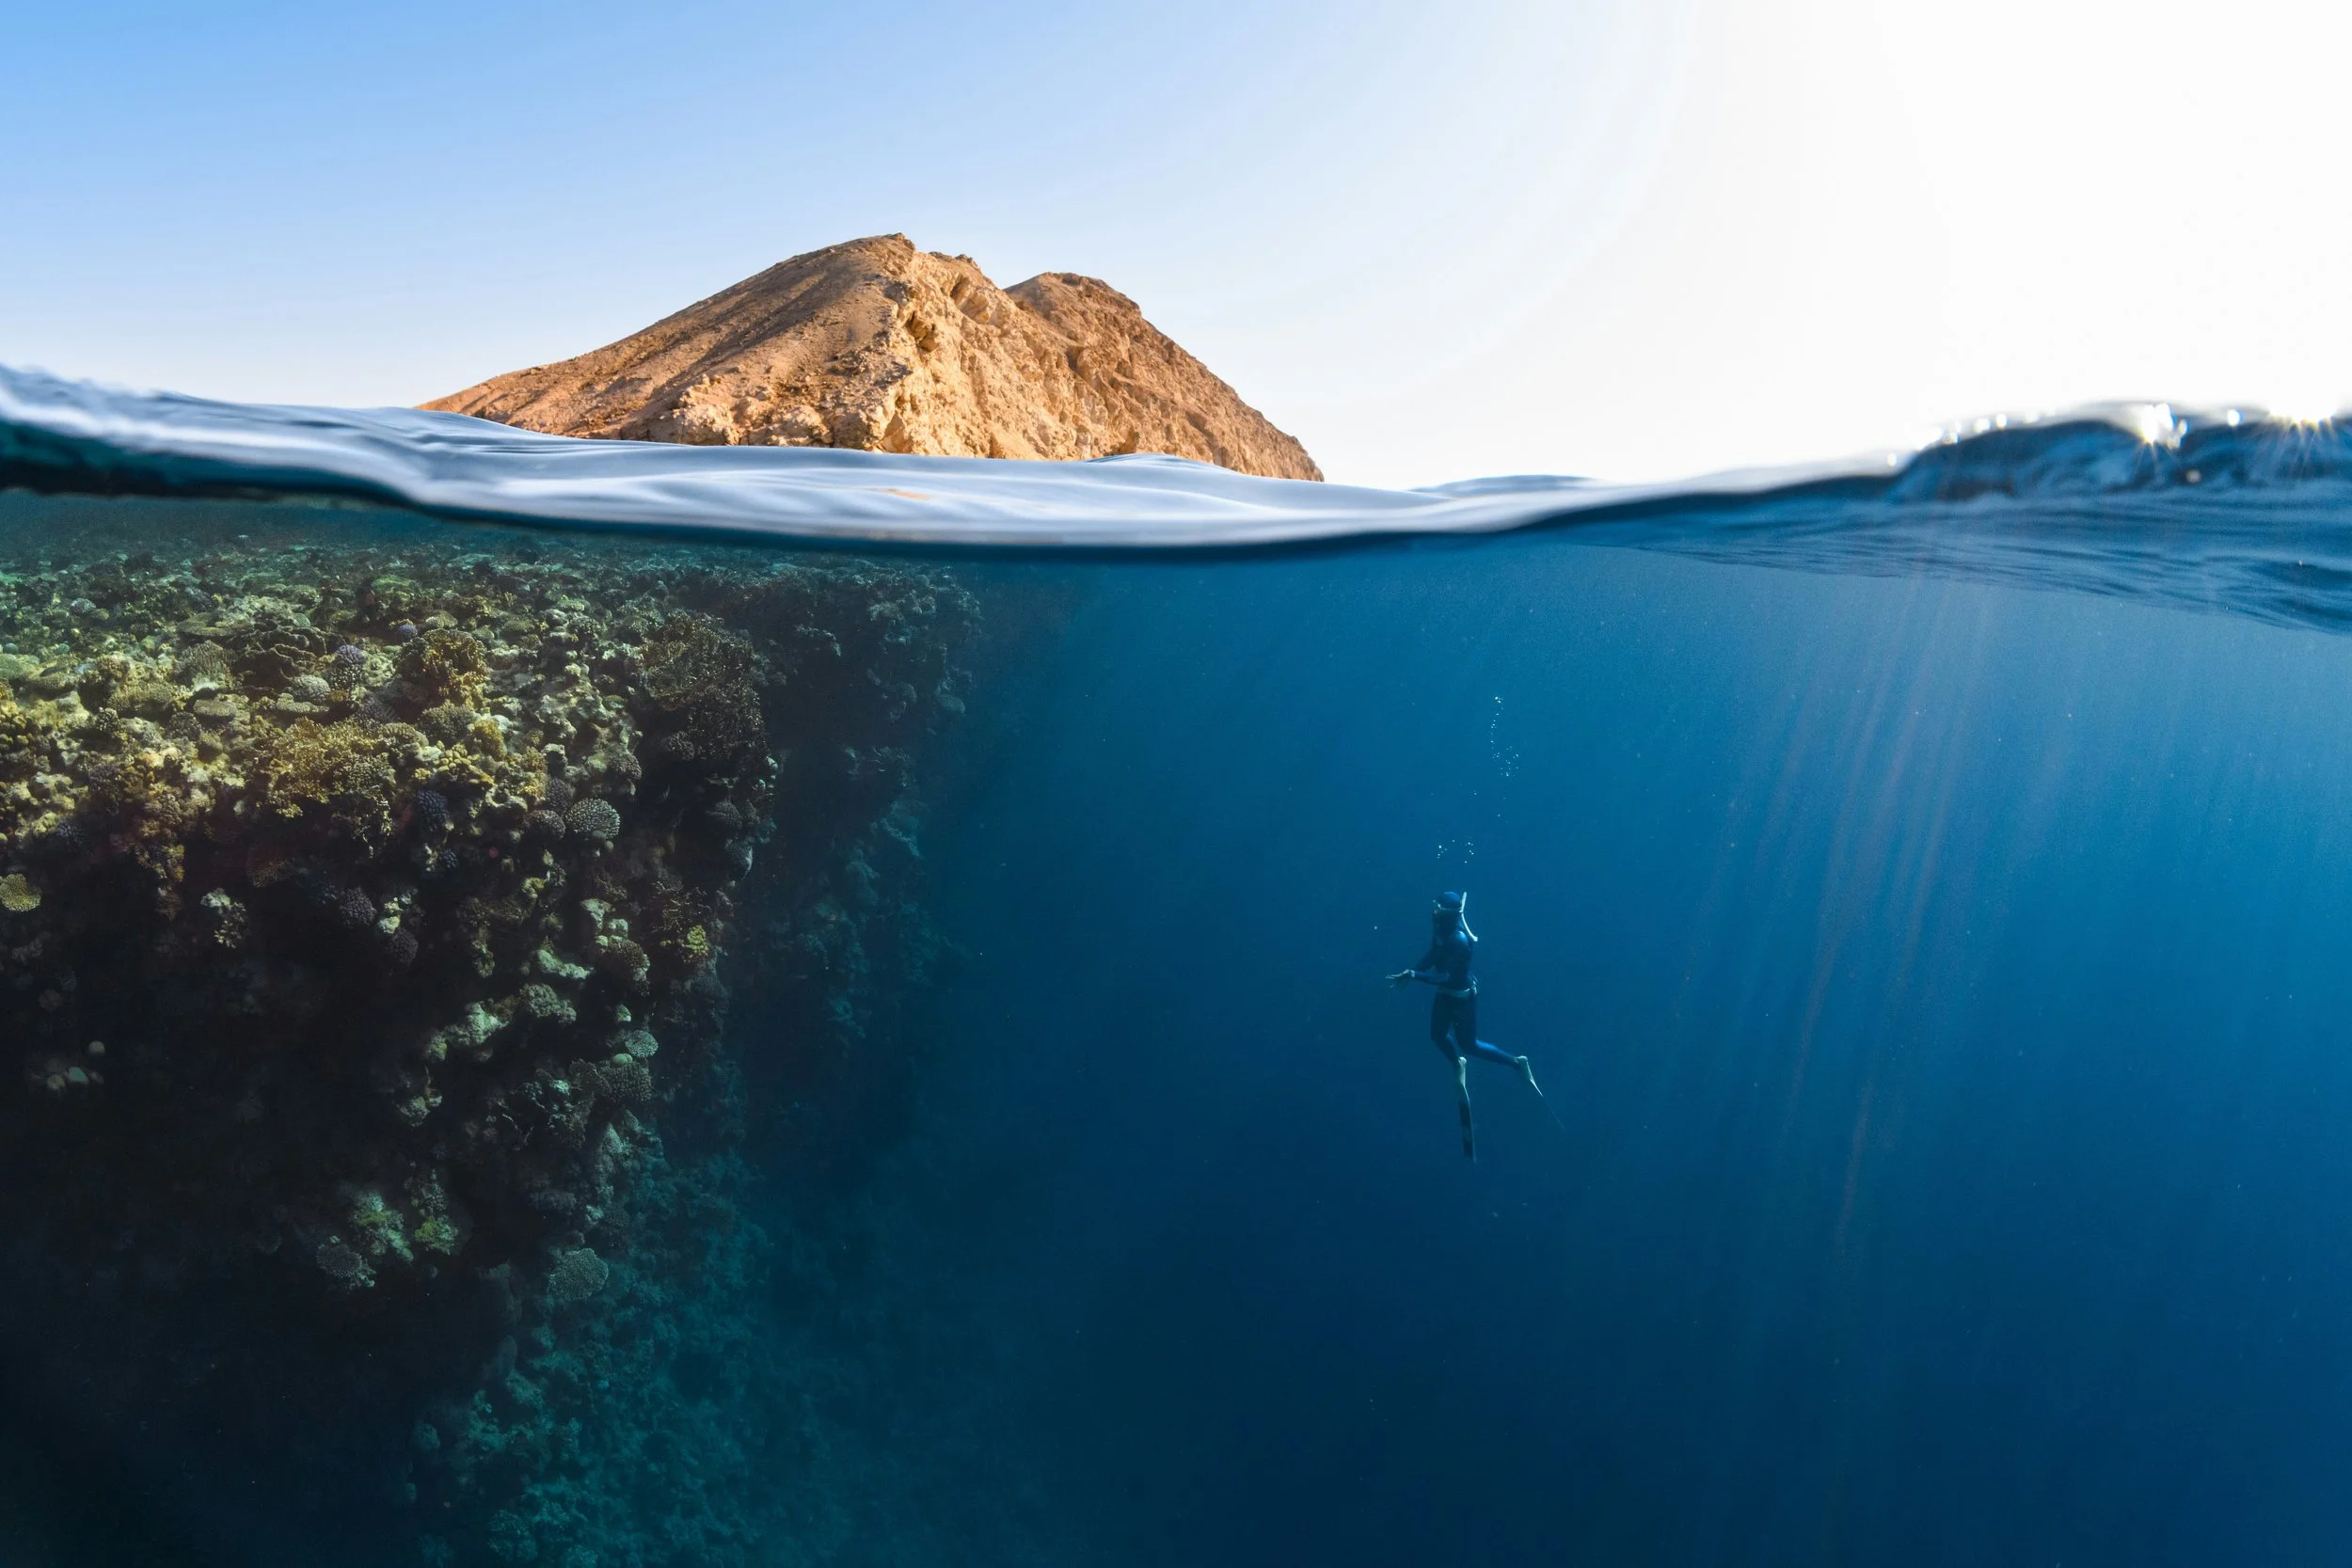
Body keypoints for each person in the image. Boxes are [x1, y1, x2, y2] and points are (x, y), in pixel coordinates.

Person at [1388, 891, 1546, 1157]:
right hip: (1446, 996)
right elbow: (1433, 954)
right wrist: (1411, 971)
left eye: (1438, 909)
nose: (1433, 911)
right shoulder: (1440, 927)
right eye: (1434, 907)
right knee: (1437, 1036)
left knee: (1469, 1045)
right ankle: (1457, 1064)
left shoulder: (1459, 941)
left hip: (1461, 999)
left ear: (1449, 914)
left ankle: (1517, 1063)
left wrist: (1414, 975)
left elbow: (1444, 977)